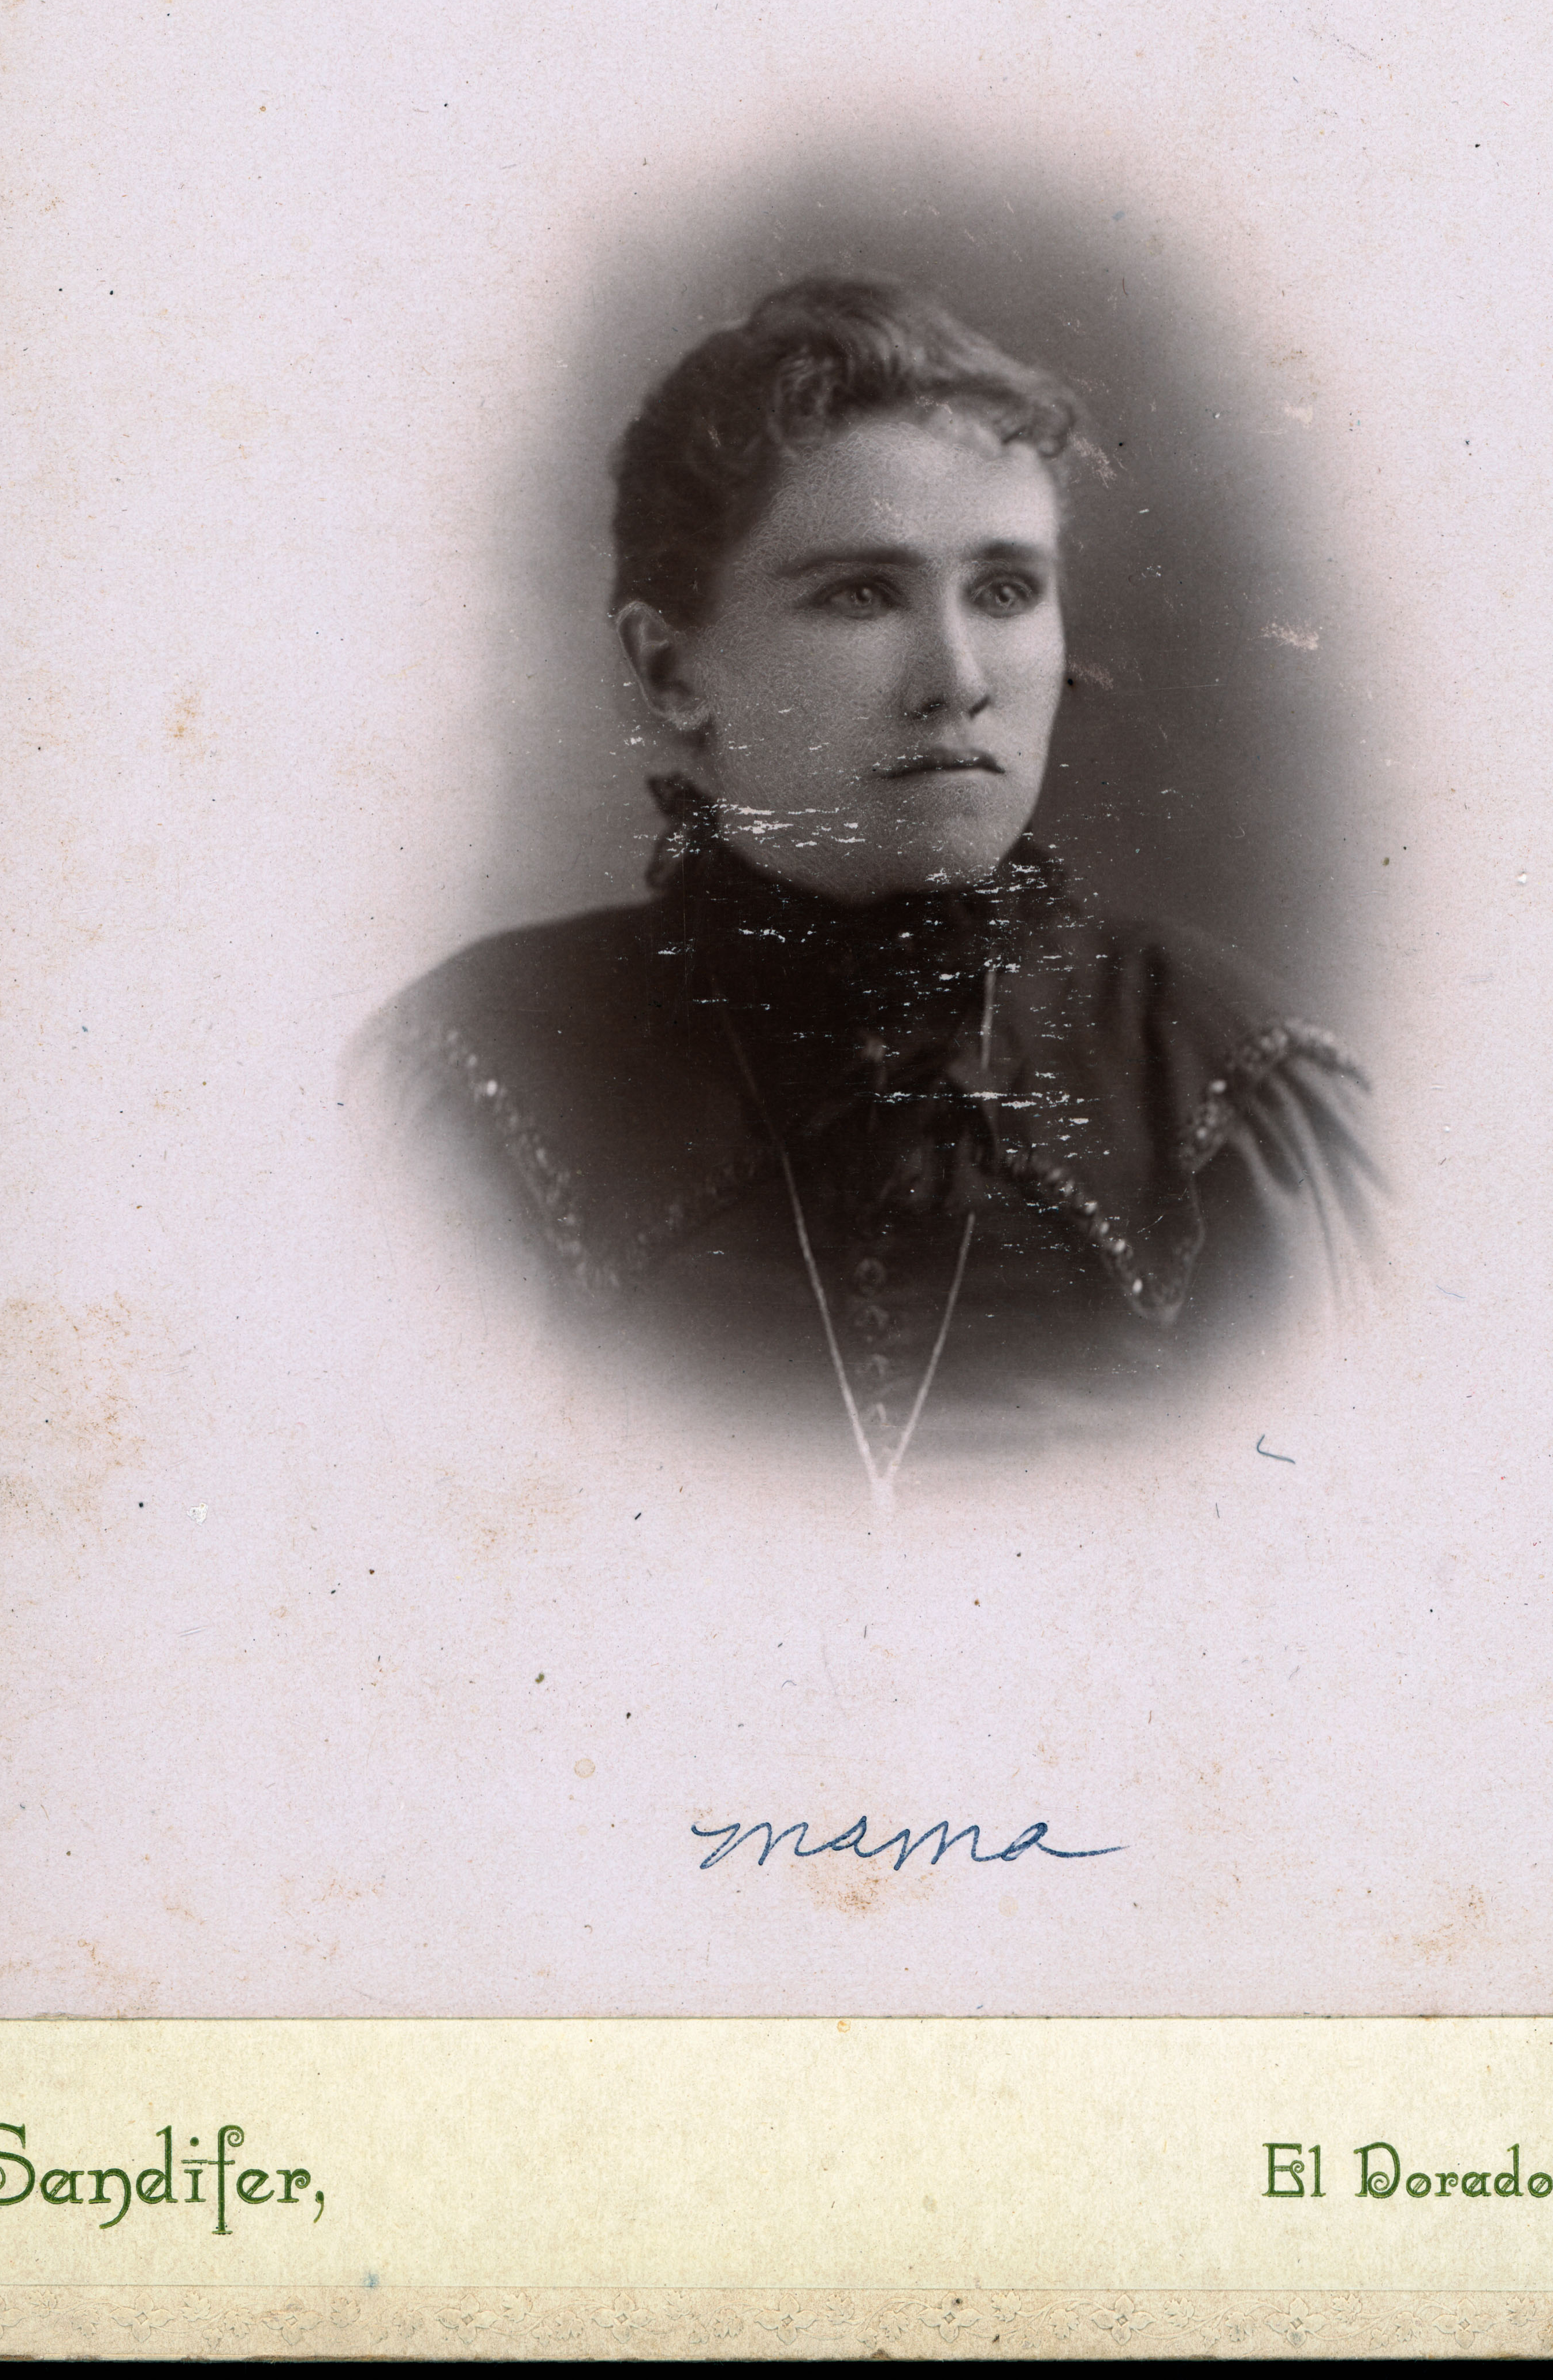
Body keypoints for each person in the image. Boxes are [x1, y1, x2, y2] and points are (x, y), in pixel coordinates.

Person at [349, 275, 1381, 1500]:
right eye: (861, 594)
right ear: (670, 670)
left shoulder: (1219, 1079)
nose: (958, 679)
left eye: (1005, 591)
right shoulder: (481, 1072)